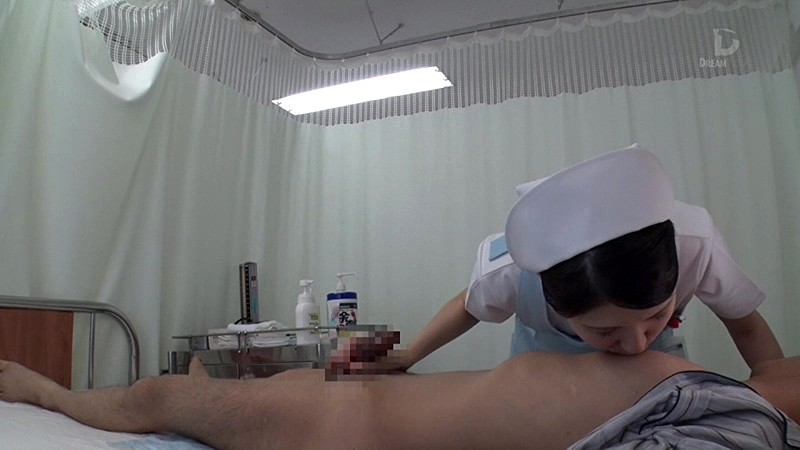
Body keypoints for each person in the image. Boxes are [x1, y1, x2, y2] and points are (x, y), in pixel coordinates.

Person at [379, 143, 782, 372]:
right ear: (554, 301)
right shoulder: (514, 269)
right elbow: (469, 306)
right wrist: (408, 355)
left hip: (655, 378)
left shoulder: (694, 244)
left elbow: (745, 324)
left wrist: (778, 398)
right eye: (605, 331)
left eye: (657, 317)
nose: (635, 345)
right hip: (546, 377)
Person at [1, 344, 799, 449]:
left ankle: (42, 390)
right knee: (272, 382)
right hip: (372, 398)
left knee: (153, 395)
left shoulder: (740, 426)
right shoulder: (719, 388)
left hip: (349, 431)